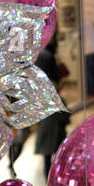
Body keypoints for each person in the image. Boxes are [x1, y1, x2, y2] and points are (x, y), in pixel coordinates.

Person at [34, 37, 71, 176]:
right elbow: (66, 115)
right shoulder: (49, 56)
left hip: (46, 135)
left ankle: (48, 181)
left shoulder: (38, 55)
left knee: (47, 160)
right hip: (55, 133)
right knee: (57, 159)